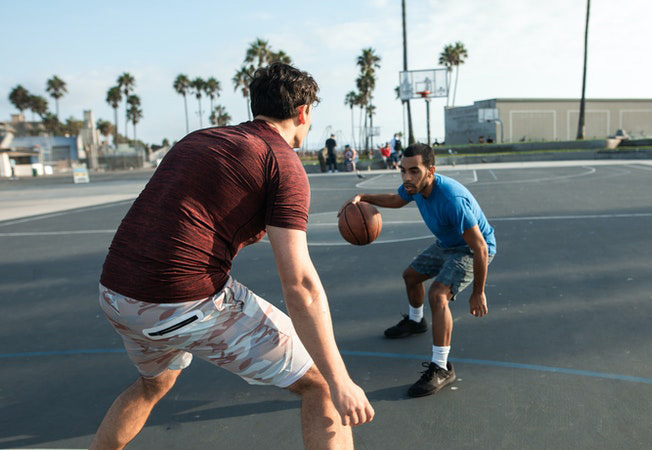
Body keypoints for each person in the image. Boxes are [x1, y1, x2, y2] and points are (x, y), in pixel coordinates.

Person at [91, 63, 374, 450]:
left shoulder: (199, 139)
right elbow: (301, 285)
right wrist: (341, 379)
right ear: (304, 112)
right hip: (180, 302)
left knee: (155, 382)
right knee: (321, 383)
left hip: (115, 294)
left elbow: (176, 218)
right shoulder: (283, 162)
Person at [339, 143, 496, 398]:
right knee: (411, 276)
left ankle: (442, 367)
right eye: (403, 171)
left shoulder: (451, 200)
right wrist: (364, 197)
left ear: (430, 171)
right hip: (447, 244)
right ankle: (415, 321)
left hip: (469, 249)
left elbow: (480, 247)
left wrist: (479, 292)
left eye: (414, 171)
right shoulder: (415, 188)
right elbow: (396, 200)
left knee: (438, 295)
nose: (407, 177)